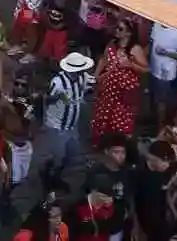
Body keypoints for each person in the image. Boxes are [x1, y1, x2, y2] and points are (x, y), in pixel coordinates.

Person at [39, 51, 92, 190]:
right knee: (58, 155)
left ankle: (54, 174)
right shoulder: (58, 82)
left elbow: (87, 88)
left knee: (71, 154)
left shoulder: (81, 79)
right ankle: (50, 179)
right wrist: (58, 97)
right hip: (57, 126)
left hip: (72, 125)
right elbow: (47, 99)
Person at [92, 17, 147, 141]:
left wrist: (130, 64)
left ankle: (119, 145)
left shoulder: (135, 49)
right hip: (109, 88)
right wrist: (96, 75)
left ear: (129, 33)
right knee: (104, 114)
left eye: (120, 29)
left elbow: (145, 69)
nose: (116, 31)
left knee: (121, 118)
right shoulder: (112, 44)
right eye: (117, 27)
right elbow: (104, 60)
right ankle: (102, 142)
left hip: (124, 92)